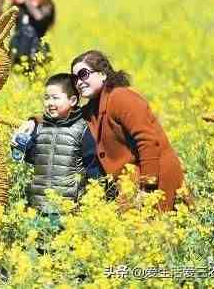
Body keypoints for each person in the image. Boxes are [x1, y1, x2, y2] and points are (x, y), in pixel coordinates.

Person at [70, 50, 189, 211]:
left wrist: (147, 186)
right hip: (131, 182)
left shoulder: (121, 97)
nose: (78, 82)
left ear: (103, 74)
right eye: (75, 78)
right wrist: (33, 121)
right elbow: (65, 115)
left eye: (83, 74)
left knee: (158, 231)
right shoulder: (93, 108)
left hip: (156, 177)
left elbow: (147, 141)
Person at [14, 73, 102, 218]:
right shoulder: (40, 127)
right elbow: (36, 159)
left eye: (55, 98)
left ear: (72, 100)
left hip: (67, 208)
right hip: (37, 206)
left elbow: (92, 166)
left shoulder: (82, 129)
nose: (50, 103)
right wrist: (22, 147)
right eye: (47, 98)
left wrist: (92, 200)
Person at [0, 0, 56, 72]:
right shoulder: (20, 5)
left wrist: (25, 0)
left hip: (38, 53)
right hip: (17, 49)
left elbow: (39, 17)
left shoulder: (47, 6)